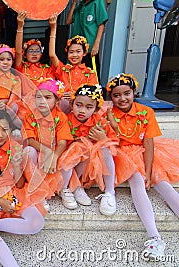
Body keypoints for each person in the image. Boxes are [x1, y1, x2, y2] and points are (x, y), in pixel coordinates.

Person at [106, 73, 179, 258]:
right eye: (116, 95)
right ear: (111, 97)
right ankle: (154, 236)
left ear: (134, 92)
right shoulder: (108, 114)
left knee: (159, 179)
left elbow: (148, 143)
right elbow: (111, 142)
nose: (122, 98)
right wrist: (113, 126)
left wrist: (148, 170)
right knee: (137, 181)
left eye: (127, 93)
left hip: (144, 151)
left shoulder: (146, 112)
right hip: (121, 154)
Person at [0, 110, 45, 267]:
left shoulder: (15, 147)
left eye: (5, 129)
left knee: (36, 223)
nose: (0, 134)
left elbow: (20, 184)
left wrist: (16, 166)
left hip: (14, 191)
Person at [58, 85, 117, 215]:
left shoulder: (99, 122)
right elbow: (61, 143)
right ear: (72, 103)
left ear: (96, 109)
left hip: (91, 167)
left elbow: (114, 143)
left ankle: (109, 191)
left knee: (103, 147)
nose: (82, 110)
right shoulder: (65, 120)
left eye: (89, 107)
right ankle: (73, 187)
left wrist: (103, 138)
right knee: (79, 146)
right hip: (69, 166)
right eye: (78, 105)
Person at [22, 79, 73, 211]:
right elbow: (29, 139)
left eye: (47, 97)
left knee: (70, 154)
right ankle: (37, 190)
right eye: (38, 97)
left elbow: (62, 141)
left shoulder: (61, 117)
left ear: (57, 101)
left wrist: (54, 155)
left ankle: (64, 188)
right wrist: (47, 152)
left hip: (55, 152)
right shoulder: (30, 115)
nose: (42, 101)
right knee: (28, 151)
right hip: (39, 150)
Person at [49, 13, 98, 113]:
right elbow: (52, 55)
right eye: (71, 52)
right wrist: (53, 28)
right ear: (67, 53)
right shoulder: (63, 69)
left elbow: (93, 95)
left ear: (84, 53)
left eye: (78, 51)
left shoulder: (90, 73)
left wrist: (74, 95)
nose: (74, 55)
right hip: (63, 109)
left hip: (81, 110)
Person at [66, 0, 108, 75]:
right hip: (77, 48)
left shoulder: (97, 2)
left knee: (92, 74)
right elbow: (68, 21)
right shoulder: (81, 5)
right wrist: (74, 3)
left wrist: (96, 43)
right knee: (77, 74)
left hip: (90, 48)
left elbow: (101, 24)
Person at [15, 12, 54, 90]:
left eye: (37, 51)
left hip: (40, 100)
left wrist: (53, 28)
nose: (34, 54)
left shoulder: (47, 69)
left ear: (41, 54)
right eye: (31, 51)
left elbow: (51, 88)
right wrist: (20, 26)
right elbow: (18, 52)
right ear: (25, 54)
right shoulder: (21, 67)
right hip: (23, 101)